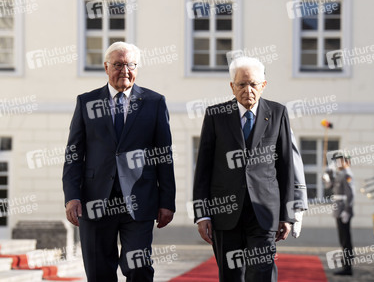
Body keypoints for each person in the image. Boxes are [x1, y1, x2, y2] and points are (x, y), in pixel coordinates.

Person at [63, 42, 176, 281]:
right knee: (98, 271)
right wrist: (72, 196)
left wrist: (167, 201)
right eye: (118, 64)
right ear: (106, 67)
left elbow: (164, 155)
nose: (125, 70)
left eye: (130, 65)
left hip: (139, 200)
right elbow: (74, 154)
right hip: (95, 201)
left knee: (138, 268)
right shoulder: (86, 102)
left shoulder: (154, 103)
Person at [193, 56, 294, 282]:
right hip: (224, 212)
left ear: (263, 85)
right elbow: (203, 169)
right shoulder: (215, 115)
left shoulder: (278, 113)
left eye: (253, 84)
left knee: (262, 273)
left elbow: (286, 166)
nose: (247, 90)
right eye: (241, 84)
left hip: (265, 213)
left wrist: (287, 214)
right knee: (231, 276)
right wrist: (202, 214)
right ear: (232, 86)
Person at [329, 152, 355, 276]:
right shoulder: (340, 174)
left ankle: (347, 266)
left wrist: (347, 211)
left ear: (347, 162)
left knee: (345, 240)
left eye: (340, 160)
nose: (338, 163)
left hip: (343, 210)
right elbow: (330, 186)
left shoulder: (347, 174)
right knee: (343, 239)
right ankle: (345, 264)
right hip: (339, 210)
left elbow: (351, 195)